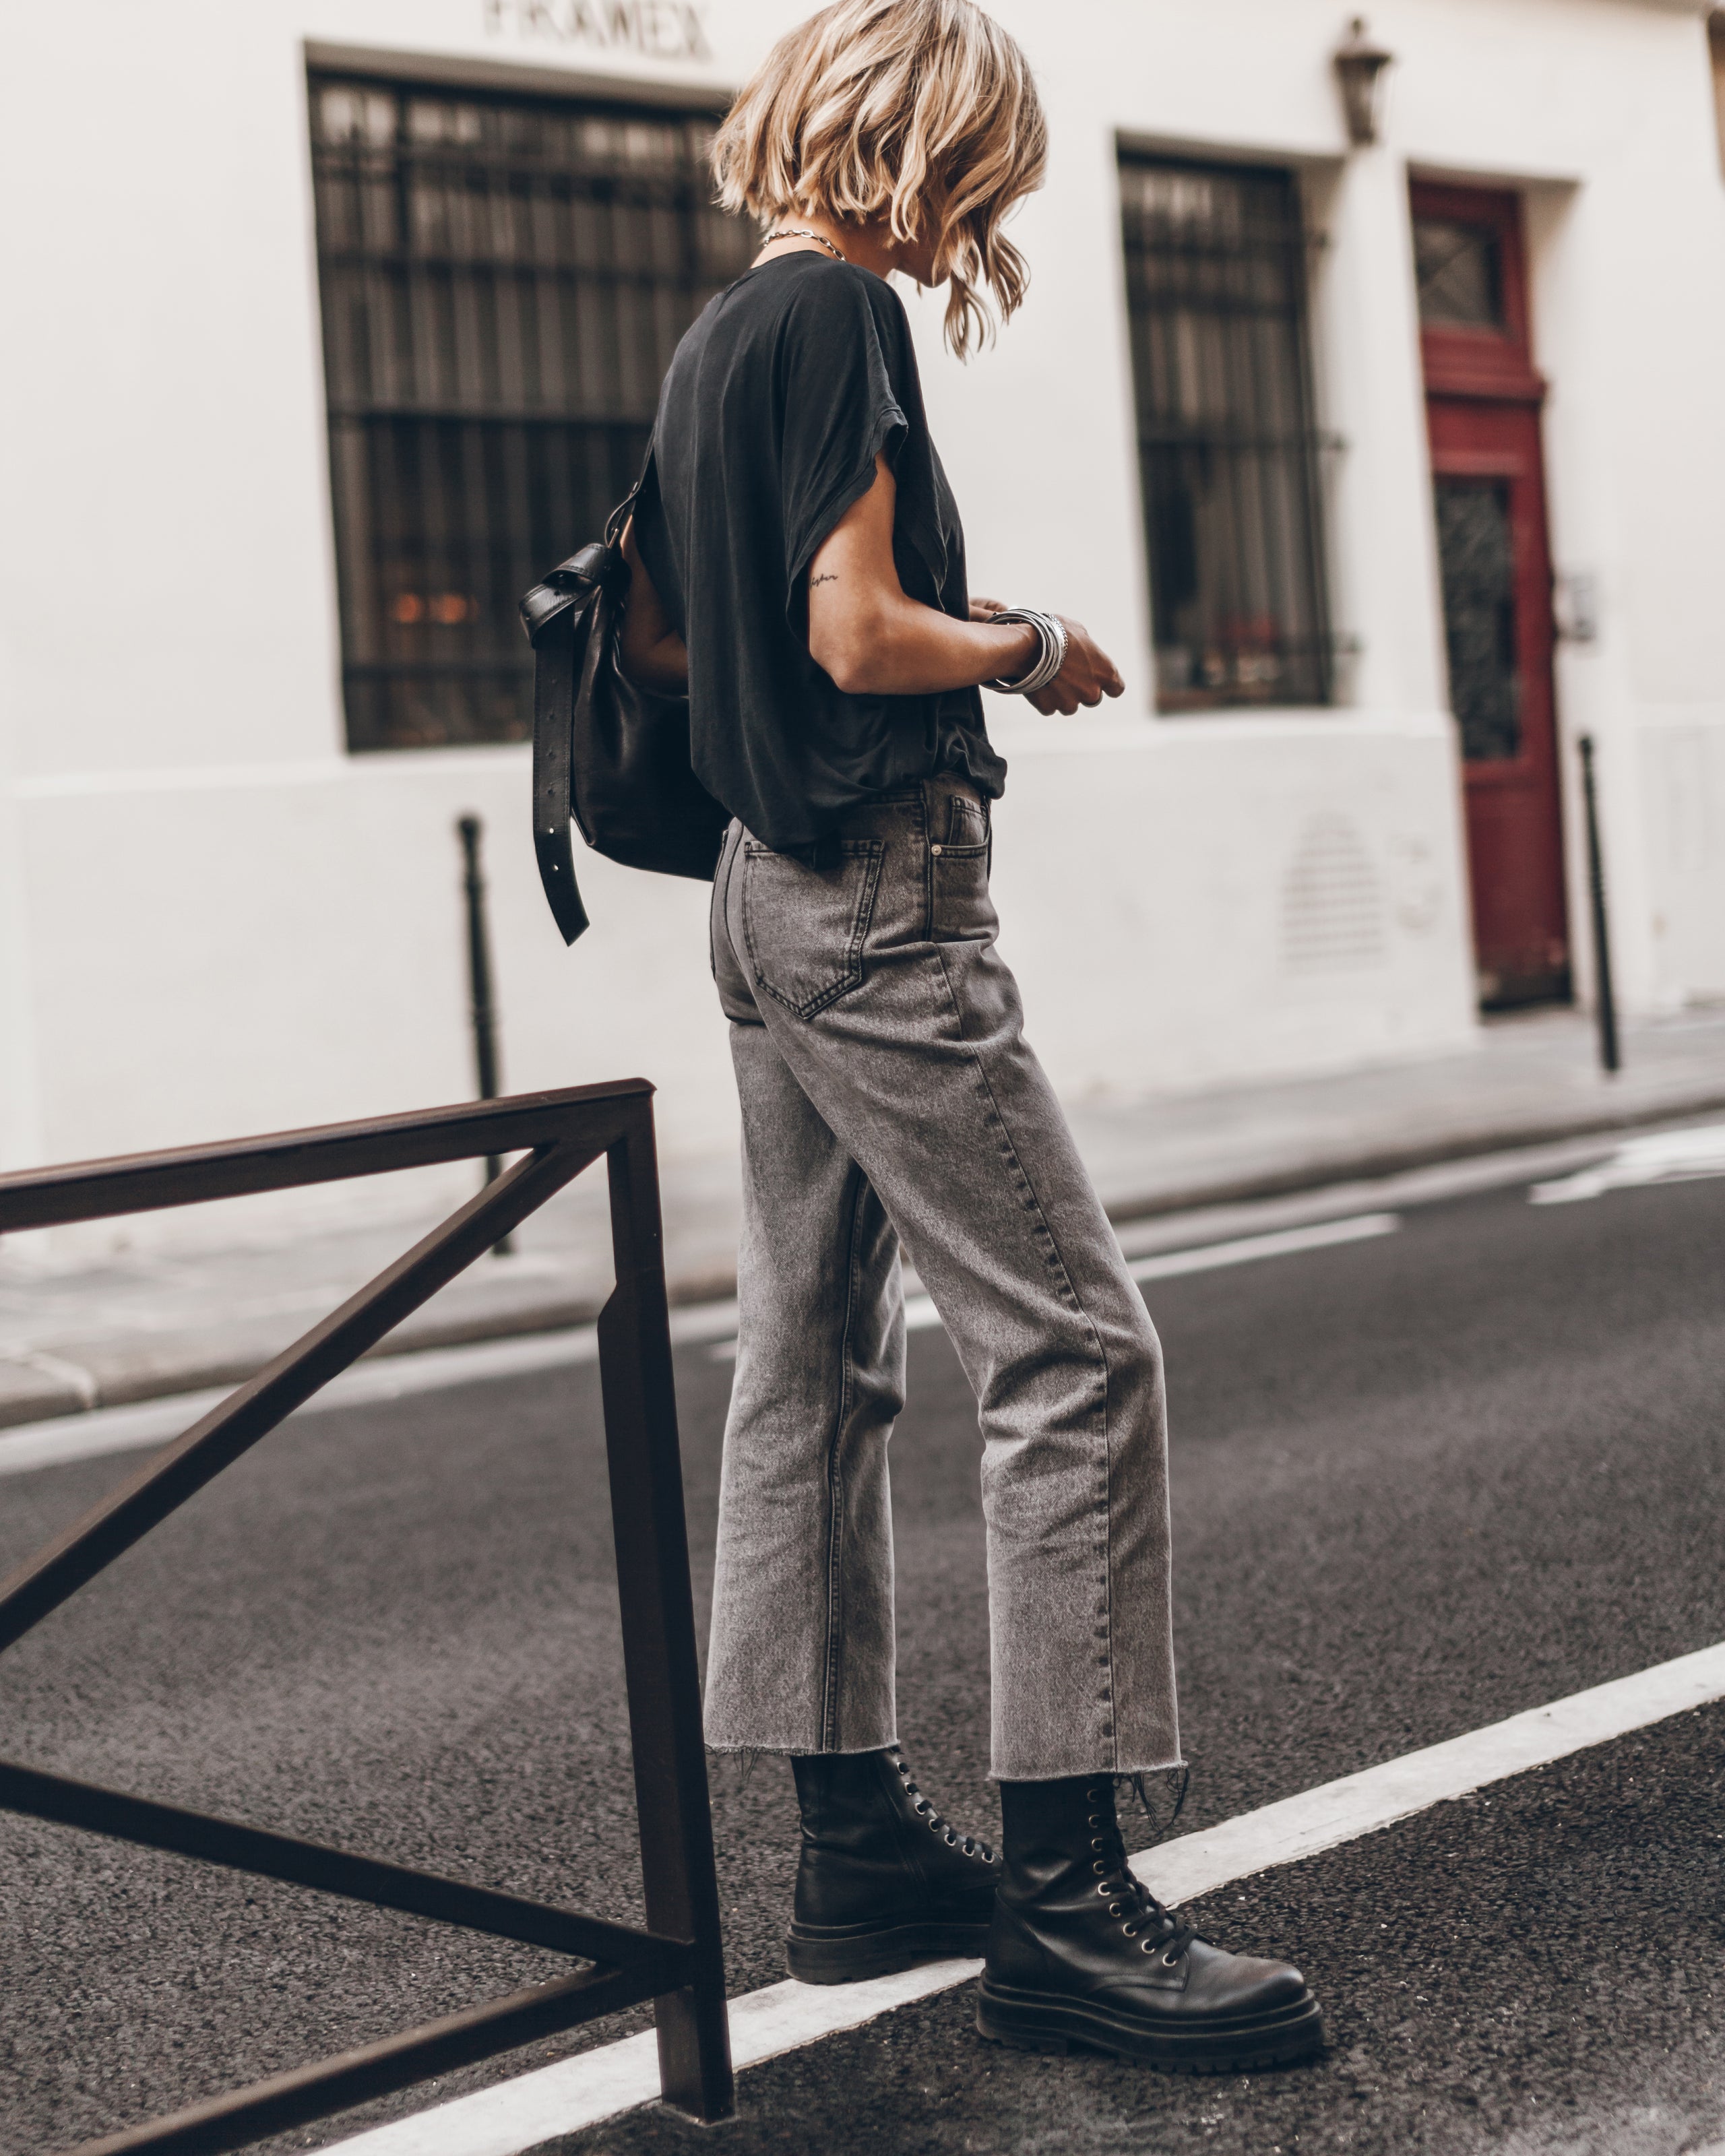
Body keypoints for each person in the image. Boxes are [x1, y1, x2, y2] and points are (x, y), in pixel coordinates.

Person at [618, 0, 1323, 2073]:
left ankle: (850, 1851)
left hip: (757, 888)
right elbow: (856, 633)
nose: (979, 221)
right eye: (983, 175)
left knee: (812, 1364)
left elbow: (707, 623)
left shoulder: (716, 334)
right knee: (1076, 1352)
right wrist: (1034, 644)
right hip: (873, 894)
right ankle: (1067, 1903)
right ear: (922, 146)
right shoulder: (840, 320)